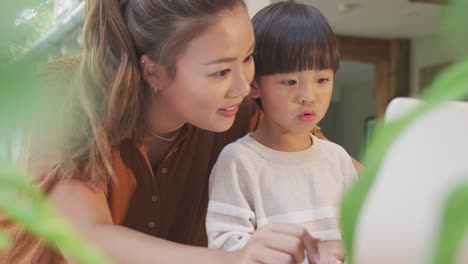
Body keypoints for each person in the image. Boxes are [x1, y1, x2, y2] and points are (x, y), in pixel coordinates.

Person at [0, 0, 321, 263]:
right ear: (152, 70)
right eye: (221, 71)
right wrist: (237, 259)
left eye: (248, 57)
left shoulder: (241, 112)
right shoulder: (65, 92)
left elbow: (328, 167)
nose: (244, 85)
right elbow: (85, 240)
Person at [206, 1, 357, 263]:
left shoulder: (338, 159)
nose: (308, 96)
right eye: (289, 82)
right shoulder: (238, 160)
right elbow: (225, 246)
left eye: (322, 80)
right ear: (255, 86)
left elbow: (360, 232)